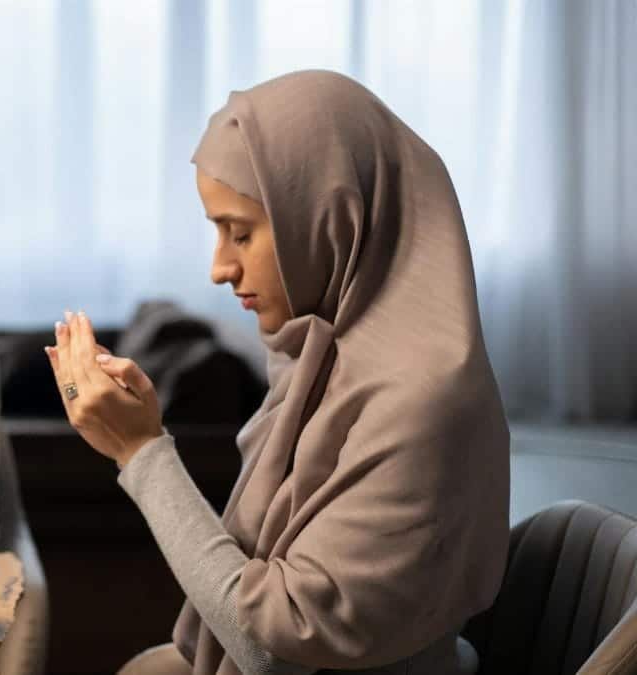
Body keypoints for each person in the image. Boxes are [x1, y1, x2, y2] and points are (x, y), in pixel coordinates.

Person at [47, 71, 509, 674]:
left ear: (330, 218)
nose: (219, 267)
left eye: (240, 232)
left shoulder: (422, 405)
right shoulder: (319, 360)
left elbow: (278, 648)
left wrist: (141, 451)